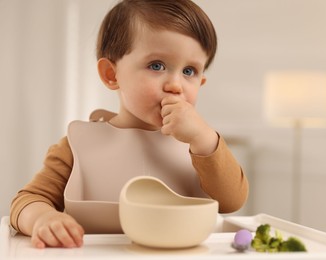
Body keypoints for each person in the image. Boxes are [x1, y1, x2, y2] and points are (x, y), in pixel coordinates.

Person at [10, 0, 249, 249]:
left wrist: (203, 139)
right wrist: (43, 218)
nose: (176, 85)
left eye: (189, 71)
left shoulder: (202, 147)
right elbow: (27, 201)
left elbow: (233, 200)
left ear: (201, 83)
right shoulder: (77, 146)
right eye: (156, 65)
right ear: (112, 75)